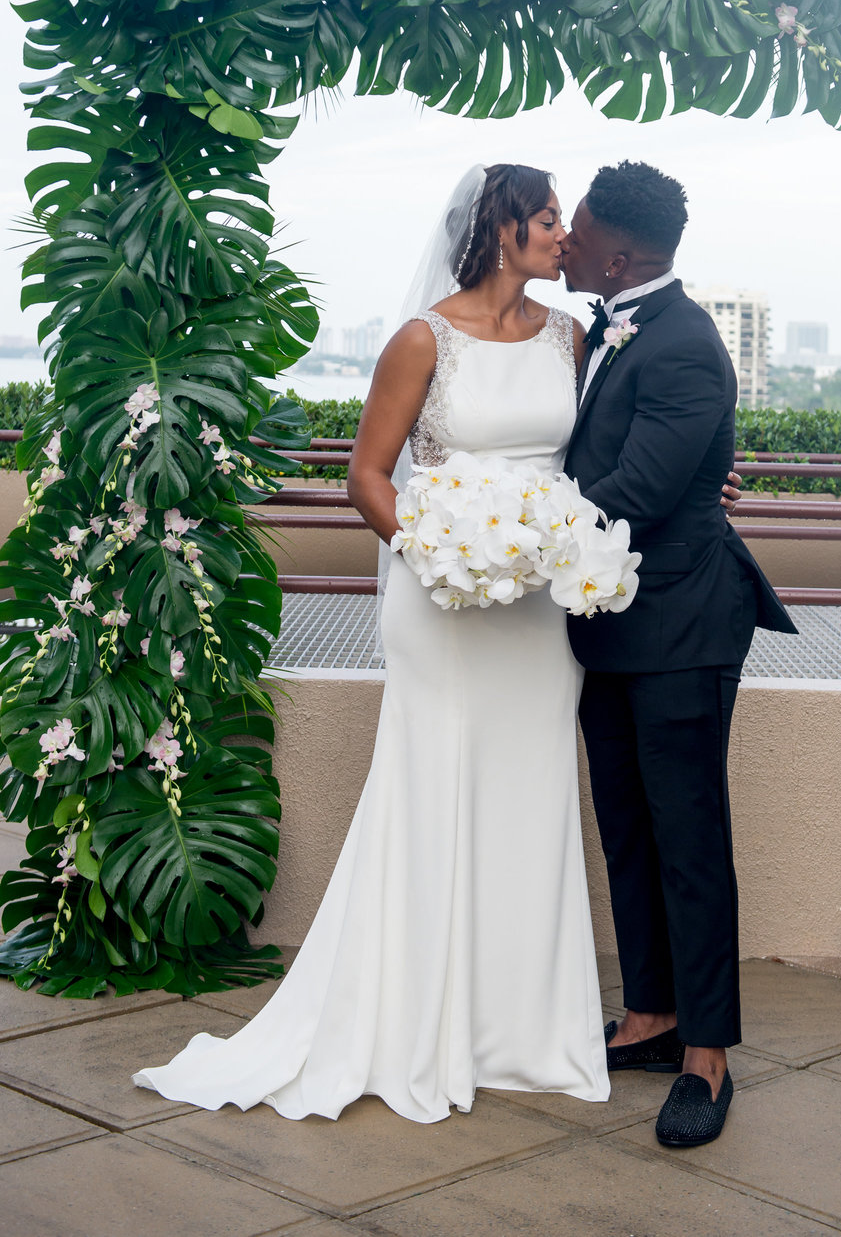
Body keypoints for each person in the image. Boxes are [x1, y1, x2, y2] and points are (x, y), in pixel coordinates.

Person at [134, 164, 611, 1121]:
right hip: (445, 599)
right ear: (501, 229)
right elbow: (367, 475)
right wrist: (437, 556)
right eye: (550, 218)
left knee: (530, 798)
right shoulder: (420, 339)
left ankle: (519, 1031)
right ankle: (414, 1023)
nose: (565, 234)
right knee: (433, 788)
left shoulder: (572, 336)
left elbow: (603, 456)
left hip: (535, 612)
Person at [560, 160, 795, 1150]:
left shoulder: (688, 345)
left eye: (573, 232)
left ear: (618, 253)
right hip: (610, 624)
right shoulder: (615, 329)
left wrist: (495, 520)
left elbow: (638, 490)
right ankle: (652, 1014)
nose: (561, 244)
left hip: (684, 628)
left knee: (690, 842)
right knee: (629, 828)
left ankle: (708, 1056)